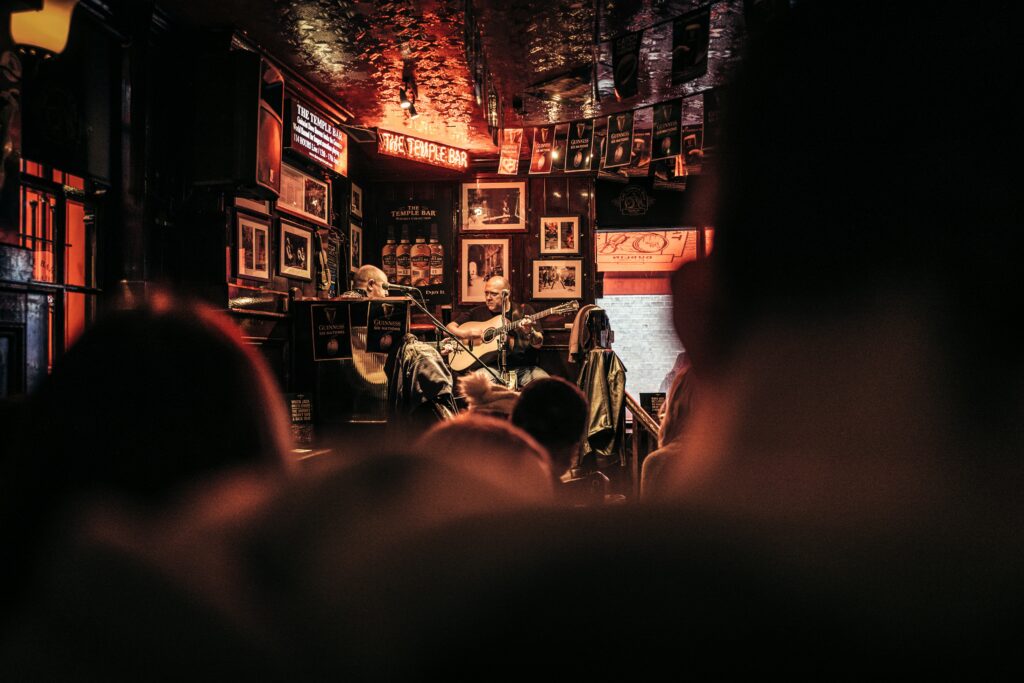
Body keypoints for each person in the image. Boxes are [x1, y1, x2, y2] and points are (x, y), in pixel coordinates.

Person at [446, 276, 548, 388]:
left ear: (506, 295)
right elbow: (449, 328)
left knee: (548, 386)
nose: (488, 298)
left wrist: (530, 332)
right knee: (480, 386)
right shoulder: (477, 312)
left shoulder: (524, 311)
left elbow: (538, 344)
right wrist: (465, 334)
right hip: (490, 368)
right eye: (486, 293)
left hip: (524, 368)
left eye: (494, 294)